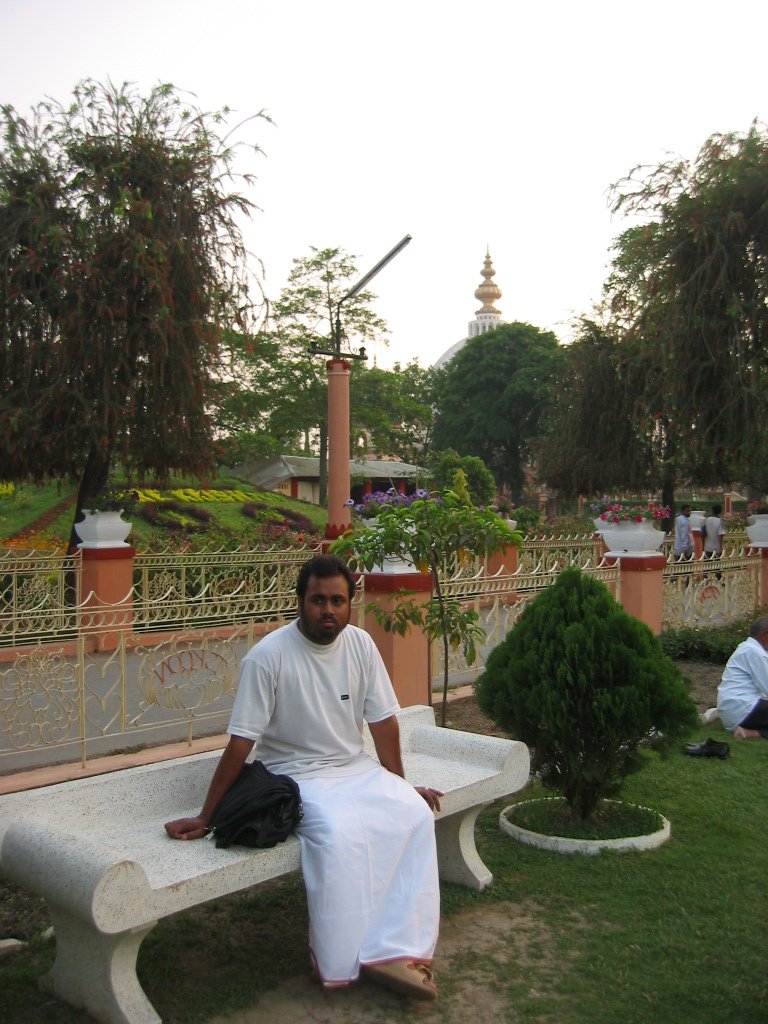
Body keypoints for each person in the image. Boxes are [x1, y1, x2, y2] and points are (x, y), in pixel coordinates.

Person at [165, 554, 443, 1000]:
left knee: (412, 814)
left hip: (355, 768)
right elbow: (241, 742)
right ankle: (343, 956)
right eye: (318, 600)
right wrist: (206, 816)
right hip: (297, 778)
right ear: (299, 600)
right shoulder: (267, 657)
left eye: (337, 600)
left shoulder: (361, 645)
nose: (328, 610)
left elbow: (384, 722)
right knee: (337, 835)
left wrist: (399, 784)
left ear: (352, 602)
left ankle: (398, 949)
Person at [716, 616, 768, 740]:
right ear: (765, 635)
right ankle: (751, 733)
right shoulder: (755, 653)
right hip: (744, 709)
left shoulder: (747, 647)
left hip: (736, 710)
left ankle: (748, 732)